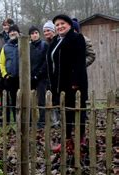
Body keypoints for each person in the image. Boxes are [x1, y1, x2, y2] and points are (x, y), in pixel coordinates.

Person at [47, 14, 88, 154]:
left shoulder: (77, 38)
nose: (59, 26)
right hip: (59, 85)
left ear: (69, 25)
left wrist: (76, 82)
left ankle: (81, 139)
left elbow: (79, 62)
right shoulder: (55, 40)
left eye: (62, 23)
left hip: (74, 85)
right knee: (64, 113)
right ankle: (67, 141)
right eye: (57, 25)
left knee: (78, 111)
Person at [0, 24, 20, 123]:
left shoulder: (25, 44)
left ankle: (26, 121)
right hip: (11, 78)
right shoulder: (5, 47)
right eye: (11, 31)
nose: (12, 33)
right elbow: (1, 63)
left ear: (18, 32)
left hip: (23, 79)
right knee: (13, 101)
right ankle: (16, 120)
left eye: (14, 31)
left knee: (25, 100)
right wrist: (5, 75)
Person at [29, 26, 48, 128]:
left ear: (39, 34)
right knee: (30, 100)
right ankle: (31, 120)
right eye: (32, 33)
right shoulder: (28, 46)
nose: (34, 35)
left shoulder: (44, 45)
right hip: (30, 77)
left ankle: (42, 121)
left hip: (41, 77)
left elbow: (46, 61)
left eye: (36, 32)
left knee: (41, 100)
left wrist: (39, 74)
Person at [0, 18, 15, 93]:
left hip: (11, 67)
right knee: (2, 90)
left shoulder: (16, 36)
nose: (6, 27)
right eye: (4, 25)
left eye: (8, 25)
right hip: (0, 67)